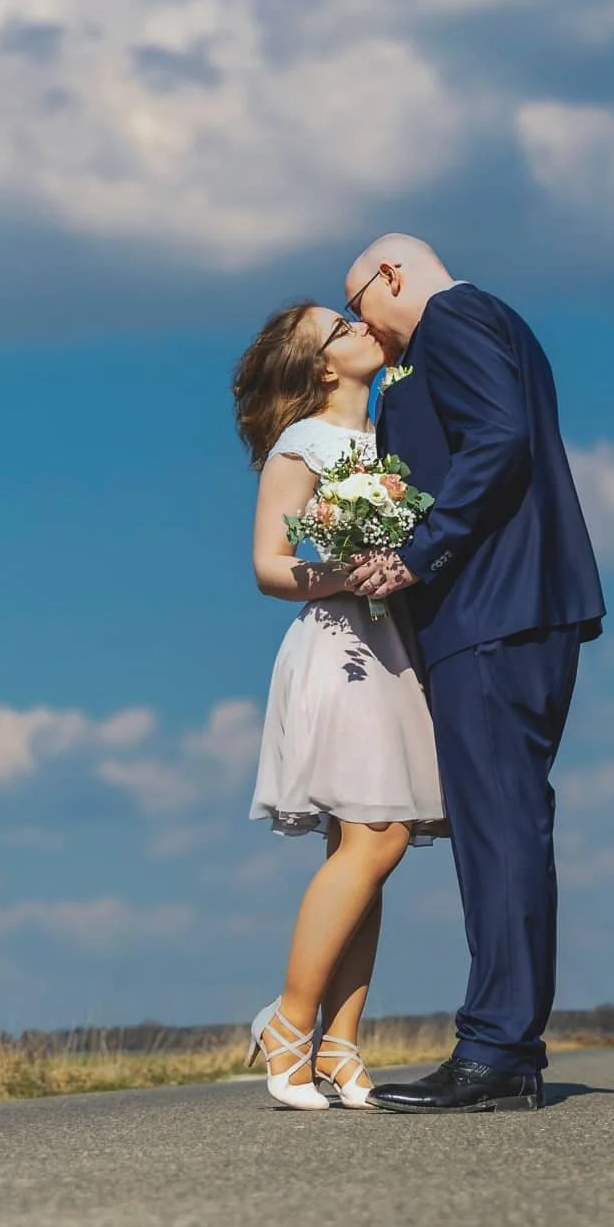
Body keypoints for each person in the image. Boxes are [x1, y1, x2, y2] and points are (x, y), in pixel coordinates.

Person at [340, 233, 605, 1113]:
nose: (360, 325)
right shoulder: (501, 322)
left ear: (391, 275)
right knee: (506, 823)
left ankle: (496, 1047)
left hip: (492, 609)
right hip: (515, 608)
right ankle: (506, 1044)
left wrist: (417, 551)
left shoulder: (452, 318)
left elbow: (499, 437)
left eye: (357, 302)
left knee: (500, 827)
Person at [230, 301, 444, 1110]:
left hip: (394, 648)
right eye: (340, 328)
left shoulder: (390, 432)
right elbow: (268, 565)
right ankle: (287, 1023)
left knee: (370, 848)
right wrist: (351, 574)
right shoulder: (302, 444)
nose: (360, 326)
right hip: (340, 647)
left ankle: (341, 1044)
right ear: (323, 367)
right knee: (378, 837)